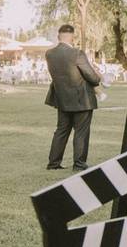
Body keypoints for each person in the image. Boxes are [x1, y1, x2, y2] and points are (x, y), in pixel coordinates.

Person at [44, 24, 102, 171]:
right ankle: (79, 164)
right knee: (81, 132)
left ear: (59, 36)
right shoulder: (77, 53)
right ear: (72, 36)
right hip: (82, 99)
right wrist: (98, 77)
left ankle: (53, 163)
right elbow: (92, 77)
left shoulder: (49, 54)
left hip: (62, 98)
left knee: (61, 131)